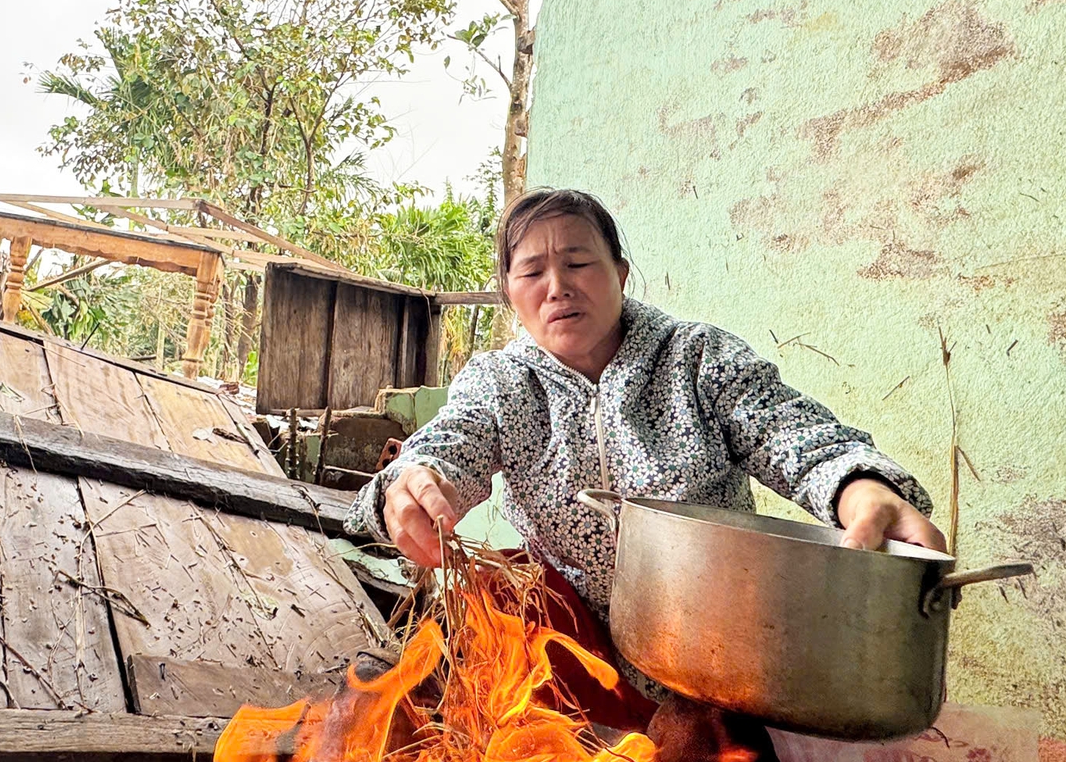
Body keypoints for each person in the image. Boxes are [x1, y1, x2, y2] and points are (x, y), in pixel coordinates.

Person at [349, 186, 943, 721]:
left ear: (620, 272)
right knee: (502, 589)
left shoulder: (696, 358)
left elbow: (789, 431)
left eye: (578, 262)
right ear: (510, 293)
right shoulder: (500, 384)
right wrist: (412, 483)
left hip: (713, 655)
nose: (558, 287)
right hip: (574, 657)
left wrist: (859, 488)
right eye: (531, 272)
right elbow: (451, 445)